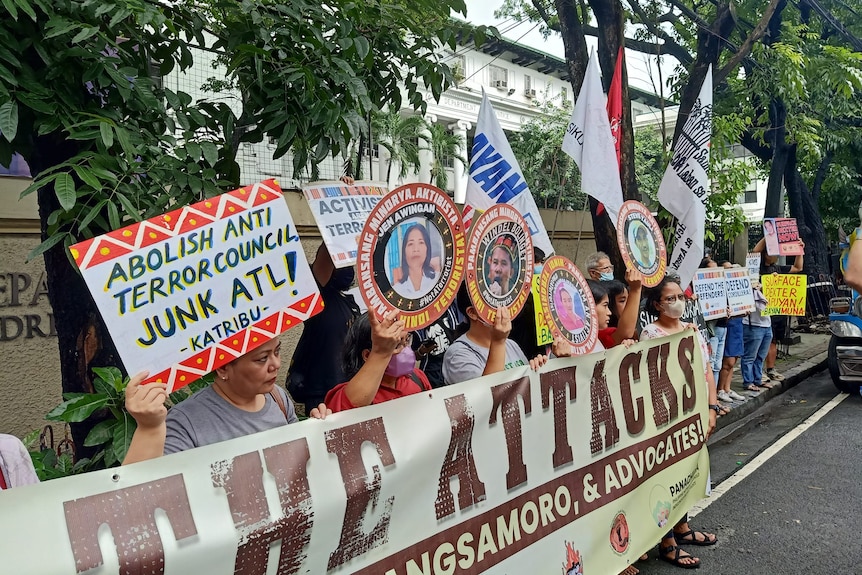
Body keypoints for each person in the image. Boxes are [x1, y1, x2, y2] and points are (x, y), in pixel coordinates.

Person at [123, 337, 330, 464]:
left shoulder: (278, 397)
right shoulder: (184, 423)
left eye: (277, 351)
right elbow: (145, 496)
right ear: (223, 368)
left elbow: (299, 463)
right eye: (262, 358)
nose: (275, 364)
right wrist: (149, 429)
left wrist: (318, 432)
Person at [640, 276, 719, 569]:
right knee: (667, 475)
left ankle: (682, 528)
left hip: (694, 413)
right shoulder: (651, 334)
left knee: (689, 470)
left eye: (680, 296)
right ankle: (666, 540)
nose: (677, 303)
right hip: (665, 419)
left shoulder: (693, 332)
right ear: (658, 304)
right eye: (669, 298)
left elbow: (707, 370)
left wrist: (711, 408)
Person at [286, 242, 361, 414]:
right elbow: (325, 258)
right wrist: (334, 230)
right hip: (322, 395)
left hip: (348, 389)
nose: (346, 267)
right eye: (339, 262)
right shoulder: (318, 298)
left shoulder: (350, 301)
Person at [443, 284, 556, 385]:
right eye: (493, 301)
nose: (503, 307)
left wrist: (538, 367)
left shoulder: (511, 344)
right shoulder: (457, 355)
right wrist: (498, 342)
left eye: (502, 299)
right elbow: (486, 399)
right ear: (472, 313)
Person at [325, 311, 431, 411]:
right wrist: (380, 353)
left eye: (407, 340)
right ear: (367, 355)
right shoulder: (350, 396)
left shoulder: (418, 378)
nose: (405, 349)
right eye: (395, 345)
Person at [753, 235, 805, 383]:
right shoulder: (758, 267)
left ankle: (771, 369)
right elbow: (754, 253)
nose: (775, 255)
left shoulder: (779, 268)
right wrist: (768, 237)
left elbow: (798, 268)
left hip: (777, 312)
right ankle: (759, 370)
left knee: (773, 341)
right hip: (761, 313)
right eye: (771, 252)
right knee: (761, 343)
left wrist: (799, 250)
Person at [412, 306, 466, 388]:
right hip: (432, 374)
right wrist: (422, 351)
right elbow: (415, 356)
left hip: (455, 367)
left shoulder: (451, 310)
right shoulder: (418, 321)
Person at [510, 247, 548, 360]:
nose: (539, 266)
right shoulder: (513, 291)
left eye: (541, 262)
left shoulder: (545, 288)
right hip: (523, 348)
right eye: (535, 262)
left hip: (544, 348)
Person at [741, 280, 773, 393]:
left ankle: (757, 379)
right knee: (749, 356)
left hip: (767, 325)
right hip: (753, 326)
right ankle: (748, 382)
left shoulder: (766, 284)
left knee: (760, 356)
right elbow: (761, 307)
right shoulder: (746, 288)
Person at [602, 268, 644, 347]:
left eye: (630, 299)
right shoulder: (601, 333)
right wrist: (636, 289)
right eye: (622, 301)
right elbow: (626, 333)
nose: (630, 304)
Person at [394, 223, 438, 298]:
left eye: (421, 242)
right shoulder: (396, 291)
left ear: (427, 249)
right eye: (411, 244)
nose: (416, 249)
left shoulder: (439, 280)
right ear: (404, 251)